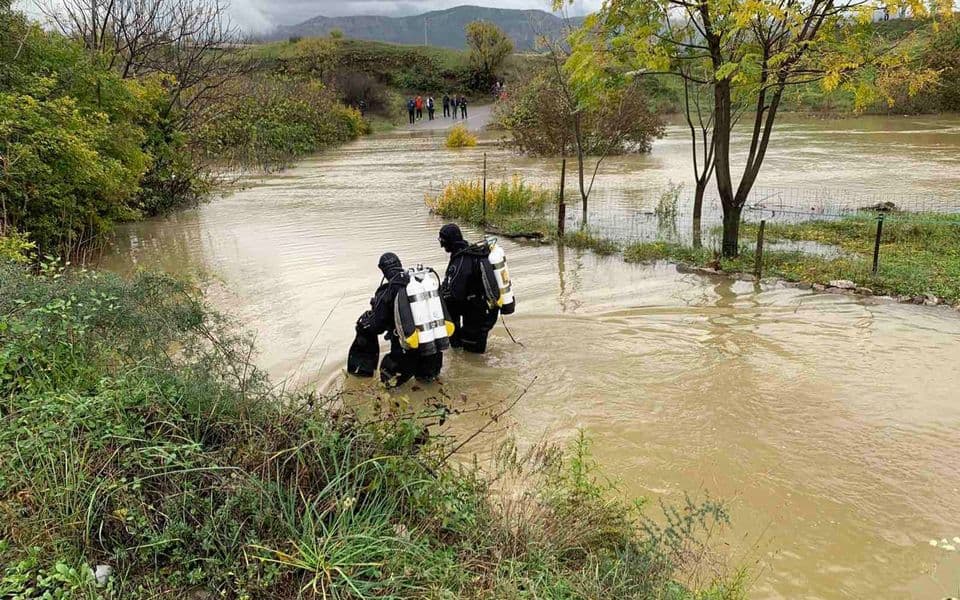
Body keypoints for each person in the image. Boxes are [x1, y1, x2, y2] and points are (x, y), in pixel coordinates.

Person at [348, 253, 442, 385]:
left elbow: (377, 326)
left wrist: (365, 322)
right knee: (429, 387)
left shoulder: (388, 290)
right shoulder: (421, 284)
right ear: (399, 264)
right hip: (433, 350)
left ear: (383, 270)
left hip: (405, 352)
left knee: (388, 386)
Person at [438, 224, 499, 354]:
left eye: (443, 241)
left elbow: (456, 293)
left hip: (475, 313)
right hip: (484, 310)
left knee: (473, 356)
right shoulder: (470, 251)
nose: (442, 246)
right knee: (475, 352)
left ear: (450, 240)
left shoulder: (461, 259)